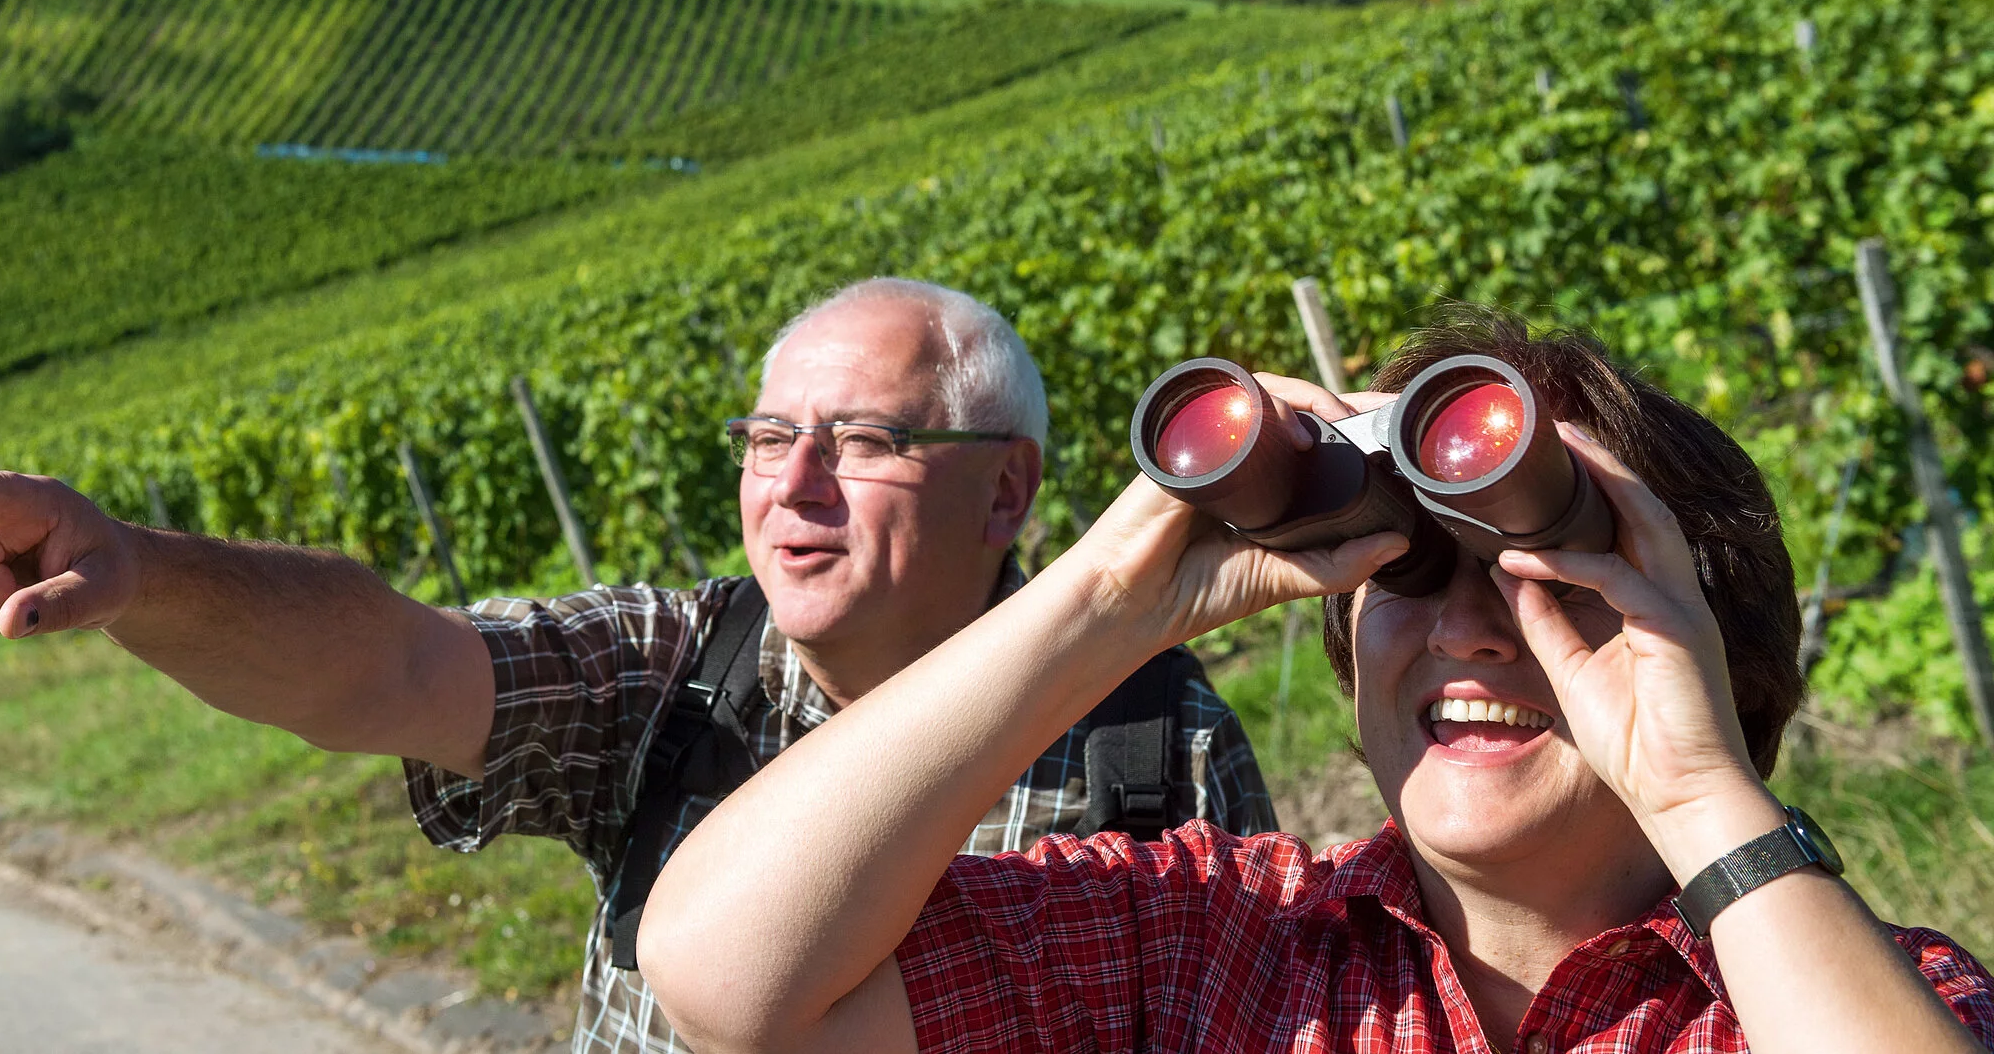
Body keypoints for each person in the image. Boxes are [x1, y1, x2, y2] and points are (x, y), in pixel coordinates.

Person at [0, 277, 1277, 1053]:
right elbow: (387, 665)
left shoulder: (1153, 741)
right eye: (764, 437)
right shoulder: (677, 667)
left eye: (861, 441)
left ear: (1007, 493)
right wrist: (141, 573)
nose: (793, 486)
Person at [636, 312, 1994, 1053]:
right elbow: (724, 979)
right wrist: (1110, 600)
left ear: (1710, 647)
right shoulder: (1204, 941)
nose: (1468, 631)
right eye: (1411, 574)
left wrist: (1702, 791)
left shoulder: (1871, 1000)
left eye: (1554, 581)